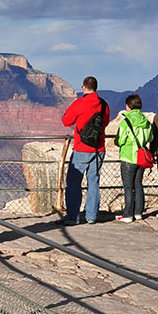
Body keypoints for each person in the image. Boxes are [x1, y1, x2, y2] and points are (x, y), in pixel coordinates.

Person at [61, 76, 110, 225]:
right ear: (96, 87)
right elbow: (105, 122)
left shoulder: (80, 103)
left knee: (74, 182)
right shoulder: (103, 105)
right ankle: (91, 217)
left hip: (81, 148)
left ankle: (73, 217)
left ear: (84, 87)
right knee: (93, 182)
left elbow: (66, 121)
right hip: (98, 148)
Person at [107, 94, 154, 222]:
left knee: (128, 186)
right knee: (138, 184)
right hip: (141, 157)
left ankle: (128, 215)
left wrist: (118, 142)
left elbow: (120, 140)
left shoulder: (125, 122)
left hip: (128, 157)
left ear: (128, 106)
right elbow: (150, 138)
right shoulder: (146, 123)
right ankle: (138, 213)